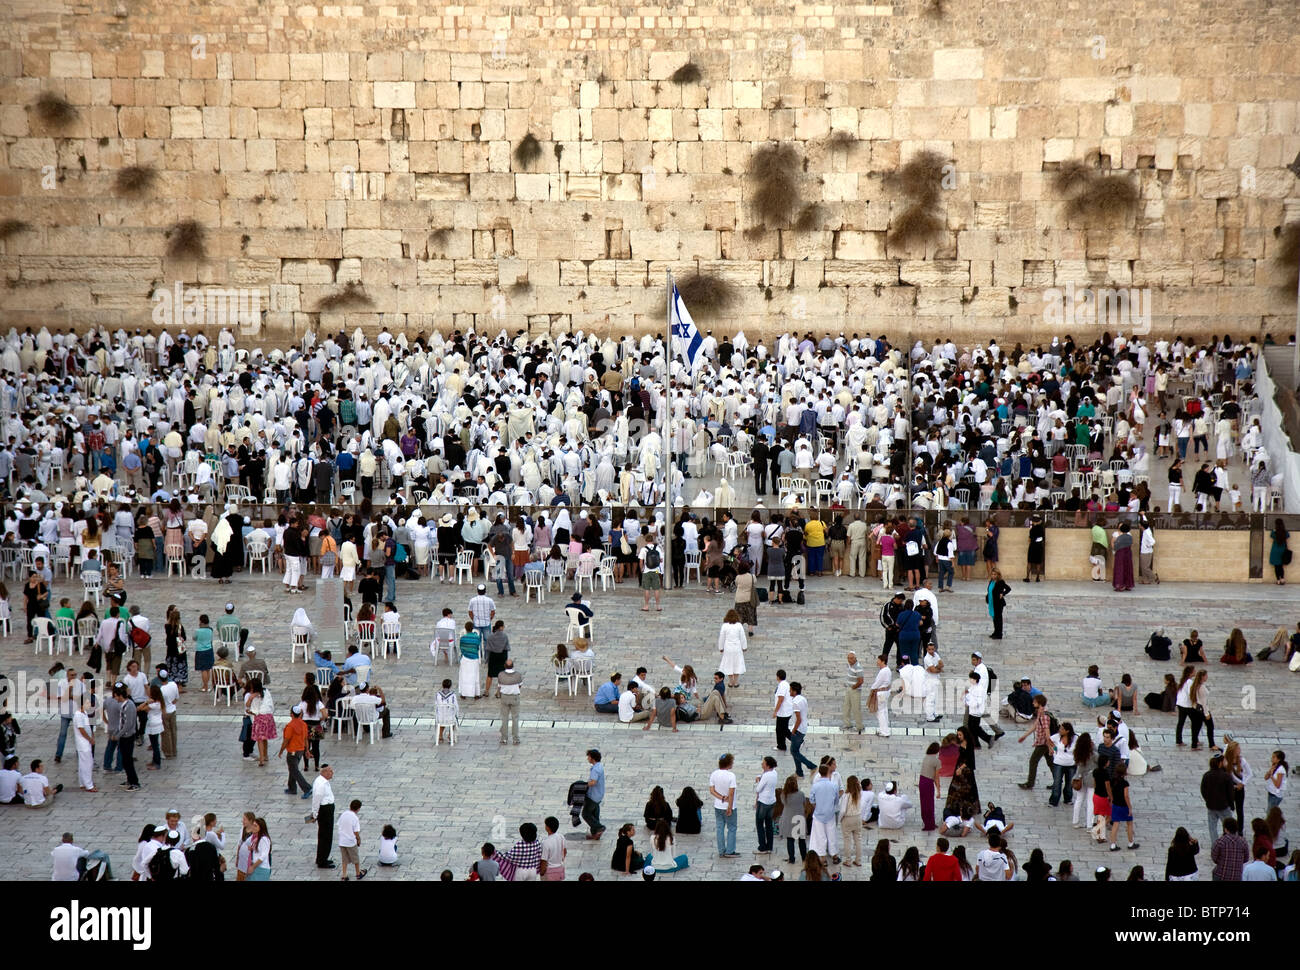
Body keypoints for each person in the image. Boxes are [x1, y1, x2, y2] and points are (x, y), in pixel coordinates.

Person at [710, 753, 739, 858]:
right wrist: (729, 807)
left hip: (718, 805)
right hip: (729, 806)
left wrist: (721, 797)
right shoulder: (731, 776)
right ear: (729, 763)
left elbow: (712, 790)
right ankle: (730, 850)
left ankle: (721, 850)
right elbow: (731, 793)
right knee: (732, 828)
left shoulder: (714, 774)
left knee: (720, 828)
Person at [1108, 762, 1138, 852]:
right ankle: (1130, 842)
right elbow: (1126, 796)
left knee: (1115, 824)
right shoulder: (1125, 783)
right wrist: (1130, 807)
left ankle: (1113, 844)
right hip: (1123, 806)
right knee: (1129, 823)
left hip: (1115, 805)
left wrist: (1112, 799)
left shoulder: (1113, 780)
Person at [310, 764, 337, 868]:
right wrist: (315, 814)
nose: (332, 773)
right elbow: (316, 800)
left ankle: (322, 858)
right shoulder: (321, 784)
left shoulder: (323, 781)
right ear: (324, 772)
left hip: (327, 809)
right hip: (325, 811)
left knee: (324, 835)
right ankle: (322, 861)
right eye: (330, 771)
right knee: (326, 836)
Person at [338, 799, 366, 881]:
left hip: (342, 841)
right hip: (350, 842)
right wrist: (358, 839)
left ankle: (344, 874)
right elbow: (356, 832)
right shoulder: (355, 818)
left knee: (344, 859)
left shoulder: (343, 814)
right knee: (355, 858)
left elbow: (339, 825)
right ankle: (358, 873)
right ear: (358, 809)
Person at [496, 657, 522, 744]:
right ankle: (515, 738)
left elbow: (499, 686)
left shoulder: (501, 675)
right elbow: (519, 686)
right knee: (515, 718)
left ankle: (504, 738)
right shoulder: (518, 675)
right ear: (513, 666)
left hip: (504, 698)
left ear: (504, 666)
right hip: (514, 697)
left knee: (504, 718)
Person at [583, 749, 606, 840]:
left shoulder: (595, 769)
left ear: (592, 758)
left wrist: (584, 785)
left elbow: (593, 782)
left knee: (586, 814)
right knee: (594, 814)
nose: (587, 758)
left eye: (588, 757)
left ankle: (599, 827)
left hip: (593, 795)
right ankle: (595, 834)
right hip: (599, 795)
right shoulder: (599, 766)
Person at [986, 568, 1010, 639]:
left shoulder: (1001, 582)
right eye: (992, 574)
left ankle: (999, 634)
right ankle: (995, 632)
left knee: (998, 618)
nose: (993, 576)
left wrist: (1003, 593)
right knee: (994, 618)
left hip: (998, 603)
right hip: (991, 602)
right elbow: (989, 591)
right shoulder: (991, 581)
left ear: (998, 575)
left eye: (995, 574)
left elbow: (1008, 589)